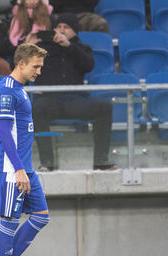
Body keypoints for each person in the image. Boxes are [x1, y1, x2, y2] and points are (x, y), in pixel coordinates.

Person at [0, 43, 50, 256]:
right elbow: (4, 133)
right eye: (36, 66)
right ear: (21, 63)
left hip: (24, 167)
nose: (39, 71)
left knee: (41, 215)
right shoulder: (6, 90)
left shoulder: (20, 90)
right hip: (12, 168)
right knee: (10, 222)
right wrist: (18, 169)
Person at [32, 13, 115, 171]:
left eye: (66, 27)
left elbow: (88, 65)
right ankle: (47, 162)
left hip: (75, 100)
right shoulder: (42, 48)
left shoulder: (82, 48)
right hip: (49, 100)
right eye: (58, 27)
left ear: (75, 31)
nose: (61, 30)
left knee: (105, 106)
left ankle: (101, 160)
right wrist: (27, 44)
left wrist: (69, 47)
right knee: (36, 108)